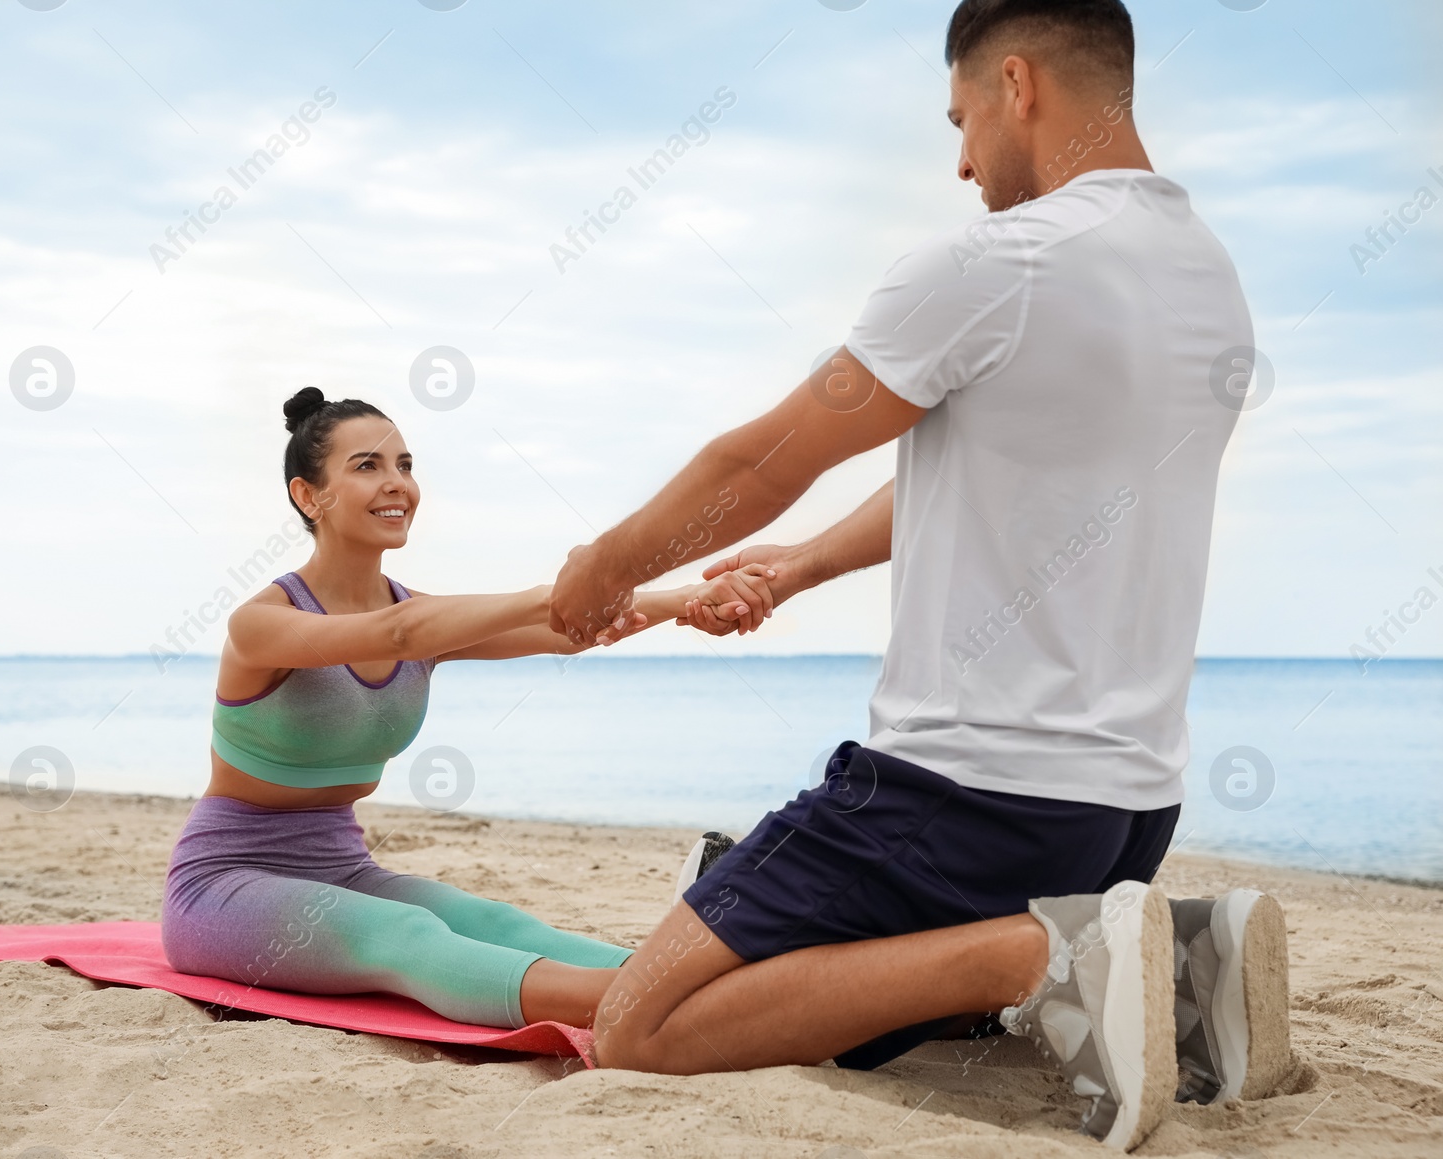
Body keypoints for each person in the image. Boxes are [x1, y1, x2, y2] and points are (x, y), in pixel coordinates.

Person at [551, 0, 1292, 1148]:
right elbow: (985, 478)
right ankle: (1179, 947)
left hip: (959, 797)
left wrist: (605, 563)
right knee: (862, 992)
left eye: (959, 121)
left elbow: (759, 462)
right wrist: (798, 568)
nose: (958, 160)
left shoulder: (1002, 260)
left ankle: (1056, 948)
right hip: (1124, 811)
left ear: (1016, 83)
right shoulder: (1207, 280)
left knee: (644, 1025)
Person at [159, 387, 775, 1031]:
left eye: (405, 464)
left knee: (495, 923)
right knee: (404, 934)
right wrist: (556, 592)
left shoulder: (422, 619)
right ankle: (673, 1008)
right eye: (367, 466)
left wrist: (688, 599)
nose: (397, 483)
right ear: (308, 495)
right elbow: (403, 633)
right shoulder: (263, 624)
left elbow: (567, 632)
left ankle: (701, 979)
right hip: (223, 886)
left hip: (343, 868)